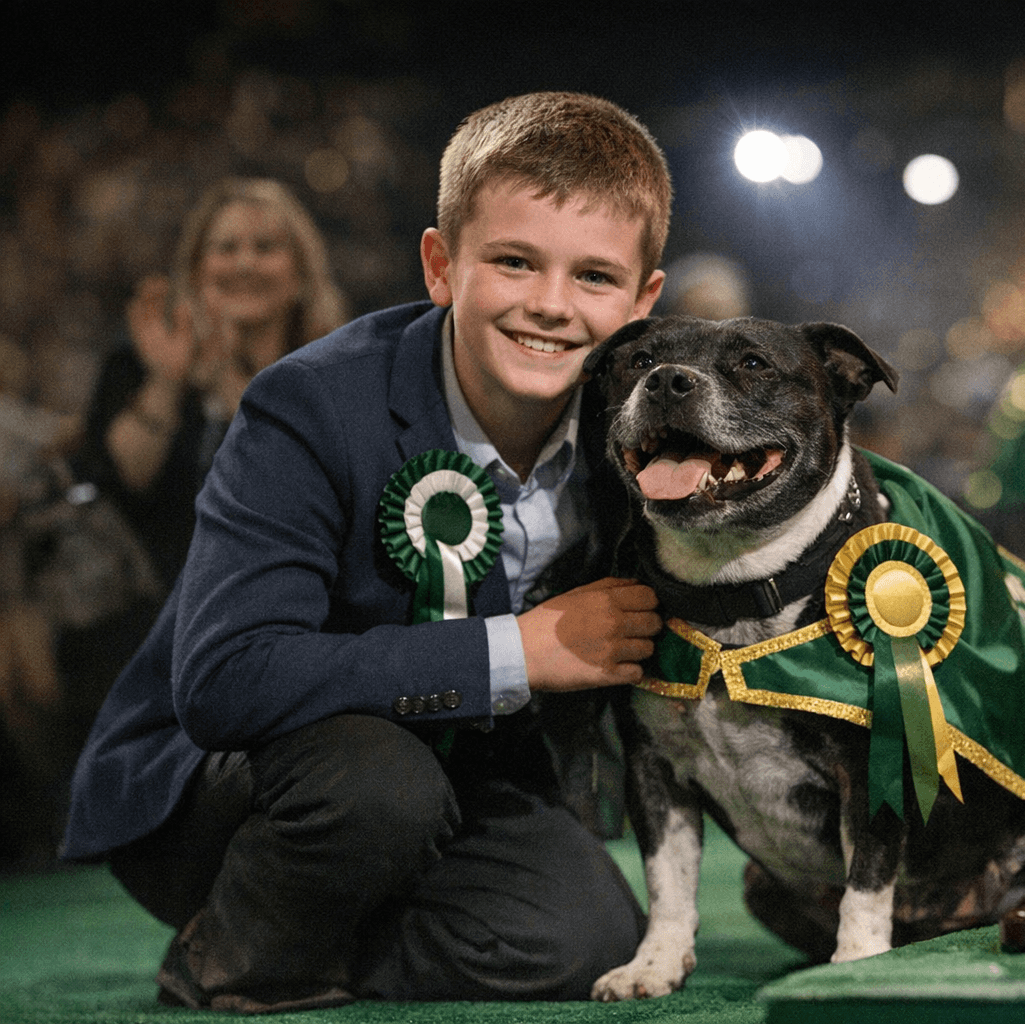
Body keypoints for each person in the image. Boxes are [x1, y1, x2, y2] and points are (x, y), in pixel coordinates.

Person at [62, 92, 669, 1012]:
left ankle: (327, 947)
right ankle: (233, 950)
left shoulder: (632, 431)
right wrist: (520, 652)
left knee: (585, 940)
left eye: (594, 277)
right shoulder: (306, 406)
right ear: (439, 266)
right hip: (221, 791)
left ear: (642, 302)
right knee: (377, 789)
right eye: (512, 261)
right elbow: (227, 676)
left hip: (448, 776)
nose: (551, 305)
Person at [75, 177, 349, 589]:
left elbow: (313, 493)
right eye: (226, 248)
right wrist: (167, 382)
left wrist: (228, 384)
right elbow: (121, 480)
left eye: (265, 248)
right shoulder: (135, 365)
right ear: (196, 269)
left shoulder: (335, 378)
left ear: (301, 276)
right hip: (152, 620)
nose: (244, 263)